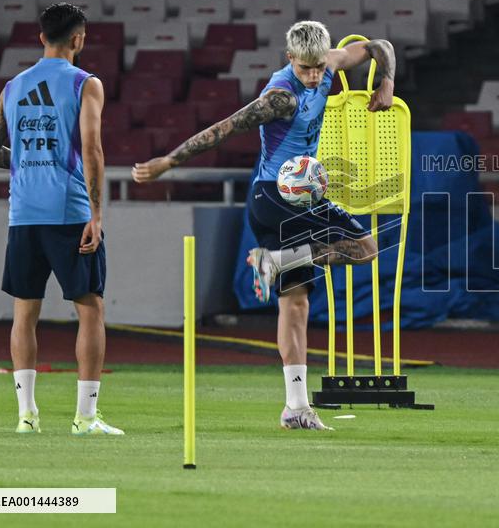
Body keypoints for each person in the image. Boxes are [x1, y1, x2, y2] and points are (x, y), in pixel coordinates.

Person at [132, 21, 396, 431]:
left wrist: (386, 83)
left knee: (296, 305)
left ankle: (295, 407)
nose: (312, 76)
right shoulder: (280, 96)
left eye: (317, 68)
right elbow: (224, 128)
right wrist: (170, 161)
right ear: (290, 59)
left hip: (288, 196)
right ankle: (274, 260)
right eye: (304, 68)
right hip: (278, 195)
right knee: (367, 248)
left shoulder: (328, 64)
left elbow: (377, 44)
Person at [0, 2, 121, 436]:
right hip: (69, 211)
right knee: (91, 310)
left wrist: (26, 164)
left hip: (22, 213)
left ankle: (26, 416)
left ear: (41, 37)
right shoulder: (85, 83)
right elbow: (92, 148)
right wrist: (96, 214)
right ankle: (86, 418)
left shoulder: (12, 86)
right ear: (79, 39)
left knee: (25, 313)